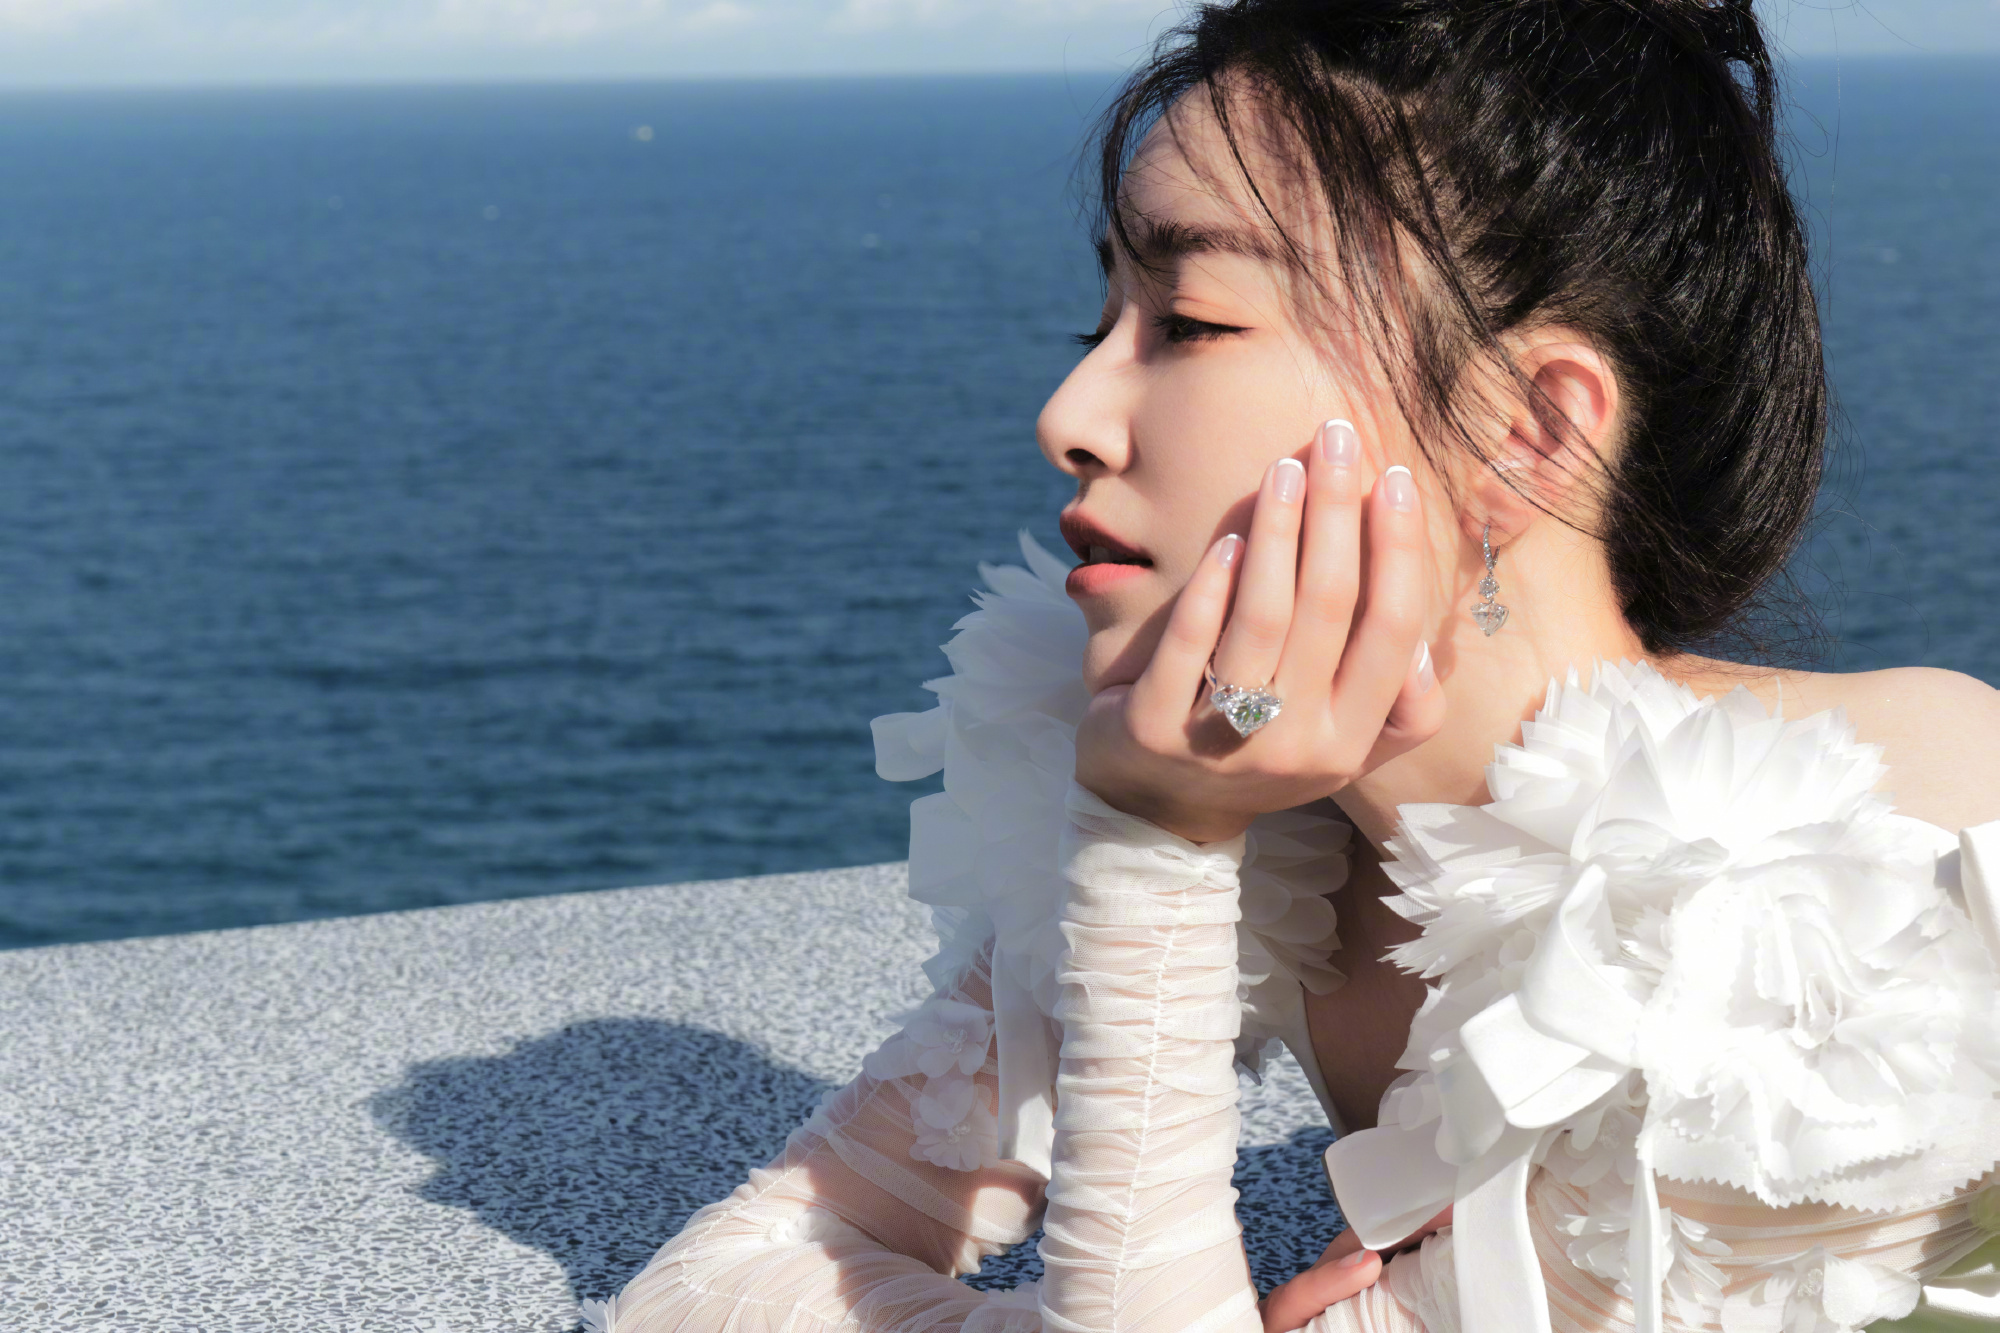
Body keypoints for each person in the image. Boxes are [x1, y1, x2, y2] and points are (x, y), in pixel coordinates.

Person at [584, 1, 2000, 1329]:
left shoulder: (1862, 879)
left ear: (1528, 431)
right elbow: (717, 1287)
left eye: (1191, 322)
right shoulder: (1252, 796)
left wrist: (1155, 851)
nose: (1068, 414)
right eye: (1101, 322)